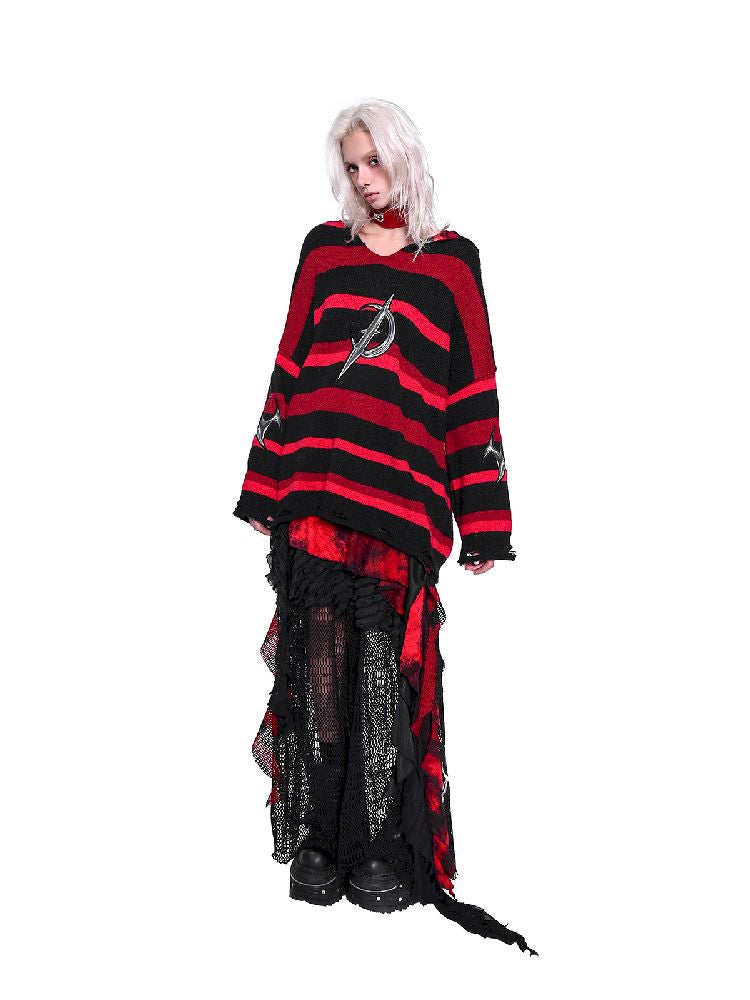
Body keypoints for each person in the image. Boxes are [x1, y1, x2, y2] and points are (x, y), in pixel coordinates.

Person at [233, 99, 537, 955]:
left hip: (398, 502)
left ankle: (377, 843)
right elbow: (290, 362)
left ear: (403, 155)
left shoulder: (452, 265)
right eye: (351, 166)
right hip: (315, 490)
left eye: (374, 161)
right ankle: (320, 841)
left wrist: (484, 520)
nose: (365, 180)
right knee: (320, 671)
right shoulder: (323, 251)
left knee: (381, 673)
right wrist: (263, 485)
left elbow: (471, 391)